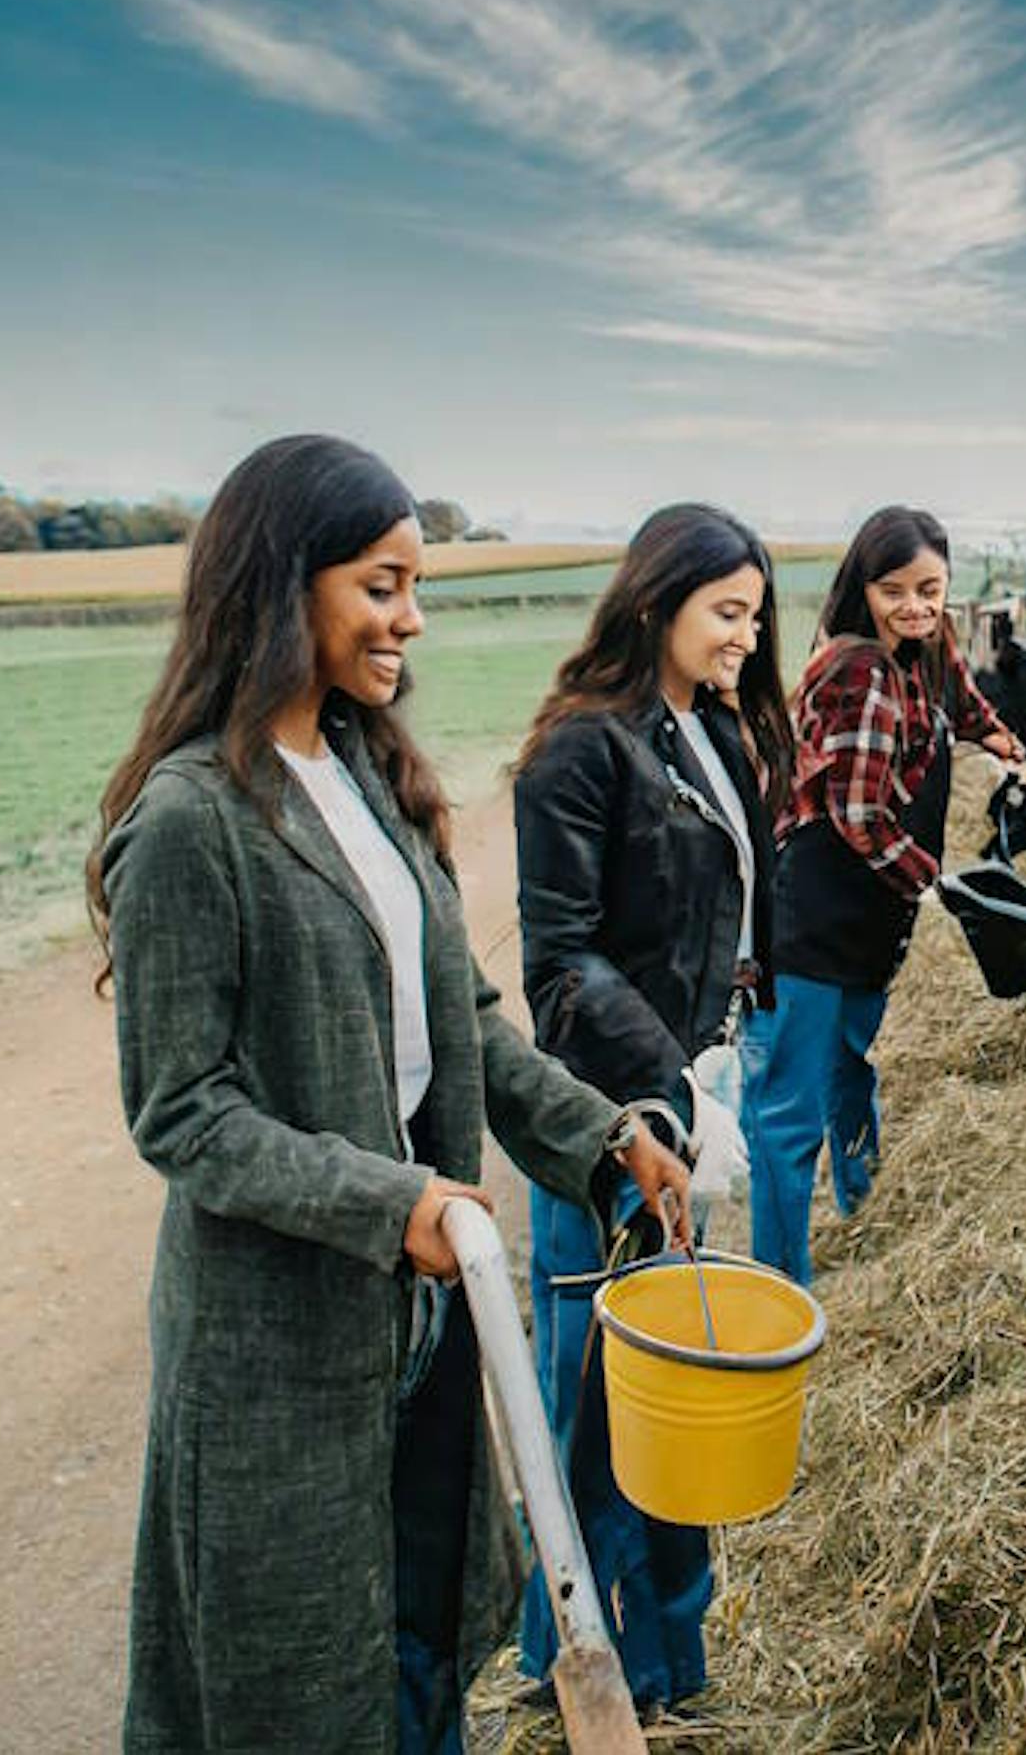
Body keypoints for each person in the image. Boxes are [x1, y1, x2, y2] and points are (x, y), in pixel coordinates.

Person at [88, 435, 691, 1754]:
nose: (410, 618)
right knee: (302, 1691)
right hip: (282, 1355)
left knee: (420, 1644)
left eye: (413, 585)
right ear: (280, 585)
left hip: (419, 1331)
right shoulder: (193, 820)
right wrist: (395, 1202)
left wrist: (603, 1139)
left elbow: (465, 1026)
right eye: (381, 584)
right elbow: (185, 1111)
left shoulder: (366, 778)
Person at [510, 503, 793, 1718]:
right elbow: (560, 961)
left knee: (669, 1382)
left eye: (756, 614)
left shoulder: (704, 726)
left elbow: (726, 902)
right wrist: (660, 1092)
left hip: (695, 1091)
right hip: (611, 1115)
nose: (747, 634)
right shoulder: (586, 747)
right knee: (596, 1397)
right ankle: (572, 1669)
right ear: (654, 602)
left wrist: (733, 1038)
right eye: (726, 612)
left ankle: (674, 1668)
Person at [742, 506, 1023, 1287]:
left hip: (870, 912)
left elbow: (960, 700)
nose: (915, 606)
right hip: (813, 913)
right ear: (862, 590)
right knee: (789, 1115)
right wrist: (931, 884)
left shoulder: (928, 645)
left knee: (850, 1064)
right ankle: (782, 1284)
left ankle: (861, 1207)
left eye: (930, 588)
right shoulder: (859, 670)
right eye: (893, 590)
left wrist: (996, 734)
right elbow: (858, 815)